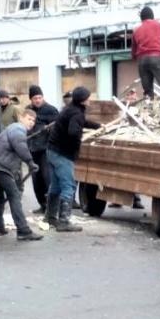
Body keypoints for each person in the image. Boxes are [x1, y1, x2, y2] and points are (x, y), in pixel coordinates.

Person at [43, 86, 101, 231]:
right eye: (88, 97)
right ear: (82, 100)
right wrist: (77, 144)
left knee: (56, 186)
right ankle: (64, 221)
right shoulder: (76, 113)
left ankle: (50, 218)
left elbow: (80, 122)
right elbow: (74, 131)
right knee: (68, 186)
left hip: (52, 151)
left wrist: (97, 126)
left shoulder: (71, 109)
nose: (90, 99)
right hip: (63, 154)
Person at [0, 108, 42, 241]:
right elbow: (19, 145)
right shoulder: (18, 128)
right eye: (29, 119)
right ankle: (23, 231)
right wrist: (31, 162)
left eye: (33, 120)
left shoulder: (10, 129)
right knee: (14, 195)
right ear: (21, 118)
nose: (31, 123)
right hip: (0, 165)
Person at [132, 5, 160, 119]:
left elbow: (133, 52)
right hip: (156, 57)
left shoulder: (136, 30)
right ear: (152, 16)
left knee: (148, 90)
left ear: (141, 18)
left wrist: (140, 61)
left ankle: (148, 114)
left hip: (142, 60)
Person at [25, 85, 59, 213]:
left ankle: (52, 207)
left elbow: (57, 129)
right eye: (35, 98)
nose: (38, 100)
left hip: (46, 149)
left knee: (47, 178)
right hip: (32, 149)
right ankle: (42, 205)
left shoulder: (51, 110)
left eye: (39, 97)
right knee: (36, 179)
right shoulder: (28, 110)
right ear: (31, 99)